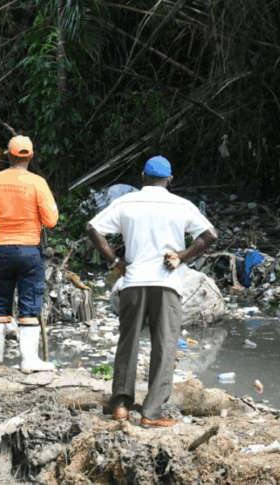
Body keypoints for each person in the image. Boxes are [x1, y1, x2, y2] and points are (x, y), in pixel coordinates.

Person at [86, 156, 217, 428]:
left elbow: (93, 228)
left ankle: (120, 405)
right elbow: (209, 235)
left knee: (128, 342)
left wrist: (115, 261)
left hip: (133, 282)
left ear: (143, 177)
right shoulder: (182, 205)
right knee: (165, 346)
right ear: (170, 180)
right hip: (167, 284)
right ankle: (152, 412)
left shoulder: (126, 203)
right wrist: (182, 256)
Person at [0, 135, 59, 373]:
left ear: (9, 155)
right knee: (29, 303)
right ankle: (28, 361)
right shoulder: (38, 183)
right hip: (28, 251)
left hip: (1, 250)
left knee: (0, 300)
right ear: (31, 157)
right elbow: (52, 220)